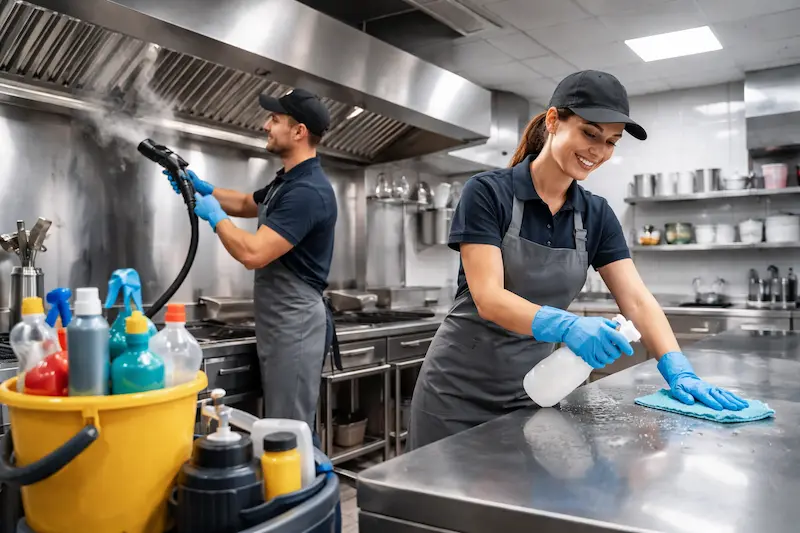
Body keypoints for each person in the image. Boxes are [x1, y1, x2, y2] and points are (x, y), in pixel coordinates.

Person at [408, 70, 748, 450]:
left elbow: (636, 300)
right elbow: (489, 297)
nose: (598, 151)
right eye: (590, 133)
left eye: (611, 142)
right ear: (554, 121)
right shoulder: (488, 193)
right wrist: (568, 326)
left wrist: (677, 368)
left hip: (534, 390)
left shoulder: (596, 215)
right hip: (455, 391)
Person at [164, 88, 338, 430]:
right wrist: (201, 188)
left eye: (274, 119)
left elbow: (253, 253)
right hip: (279, 321)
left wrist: (215, 218)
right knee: (281, 421)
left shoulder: (308, 192)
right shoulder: (288, 181)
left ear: (299, 131)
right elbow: (246, 203)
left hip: (296, 322)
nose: (265, 125)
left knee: (289, 428)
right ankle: (290, 481)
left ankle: (304, 483)